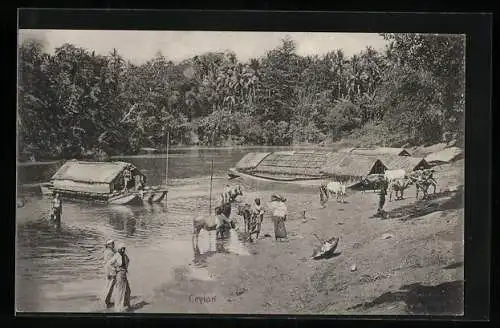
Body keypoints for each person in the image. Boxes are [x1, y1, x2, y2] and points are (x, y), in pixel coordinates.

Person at [108, 243, 131, 312]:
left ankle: (126, 304)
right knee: (120, 291)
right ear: (119, 249)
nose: (123, 250)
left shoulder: (125, 255)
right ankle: (118, 308)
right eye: (122, 248)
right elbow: (109, 263)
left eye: (124, 248)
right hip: (119, 275)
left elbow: (128, 261)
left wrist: (126, 268)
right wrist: (115, 269)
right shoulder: (116, 255)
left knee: (128, 290)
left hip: (124, 274)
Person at [101, 240, 116, 308]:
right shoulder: (109, 252)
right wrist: (108, 273)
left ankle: (107, 301)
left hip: (111, 271)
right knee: (109, 287)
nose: (114, 244)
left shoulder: (110, 251)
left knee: (109, 286)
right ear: (109, 245)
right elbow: (108, 264)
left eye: (113, 243)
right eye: (112, 244)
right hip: (110, 272)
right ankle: (106, 302)